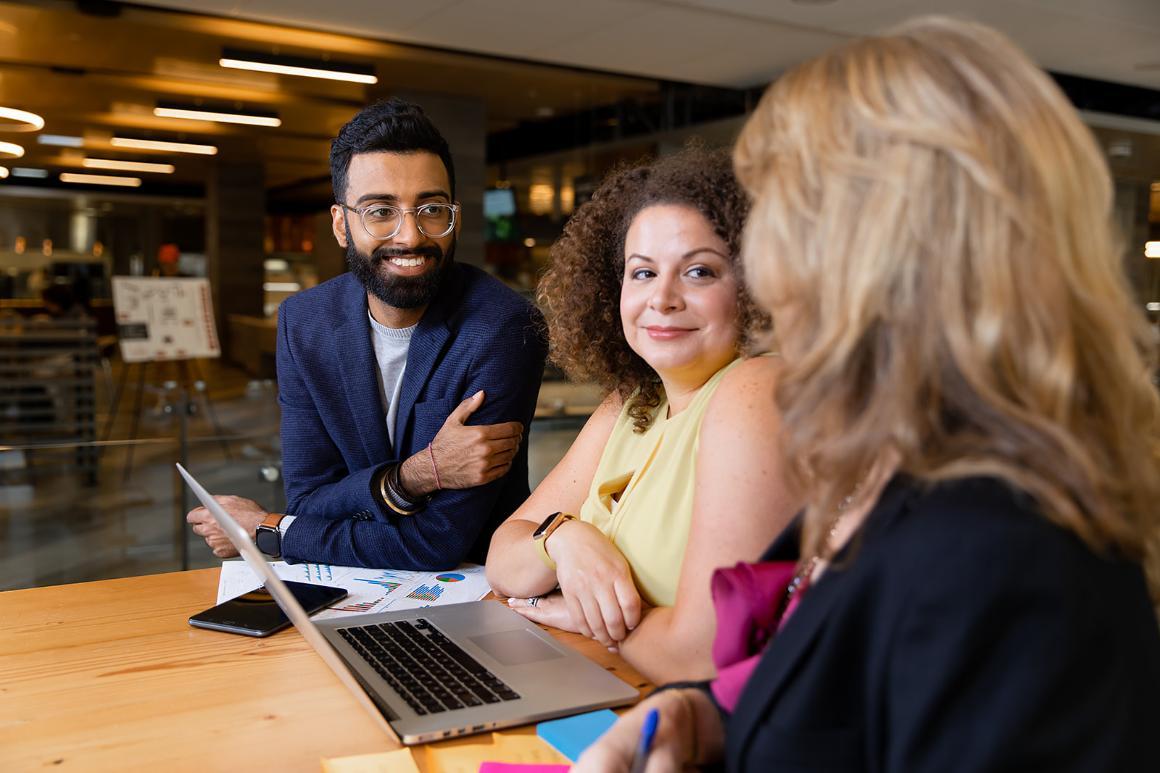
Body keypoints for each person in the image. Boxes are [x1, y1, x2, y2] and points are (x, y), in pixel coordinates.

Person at [577, 17, 1160, 772]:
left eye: (784, 217)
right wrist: (697, 717)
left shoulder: (1007, 556)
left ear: (876, 255)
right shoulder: (908, 466)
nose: (769, 265)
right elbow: (842, 693)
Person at [188, 98, 546, 570]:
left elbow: (437, 542)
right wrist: (416, 476)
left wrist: (270, 532)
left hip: (468, 590)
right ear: (341, 224)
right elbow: (308, 500)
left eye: (431, 209)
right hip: (346, 584)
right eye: (380, 211)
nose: (411, 236)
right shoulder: (304, 322)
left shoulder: (503, 327)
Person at [485, 147, 799, 685]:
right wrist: (564, 539)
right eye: (643, 272)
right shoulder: (631, 403)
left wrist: (595, 620)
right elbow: (504, 557)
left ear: (755, 286)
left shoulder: (757, 389)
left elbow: (700, 657)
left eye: (699, 272)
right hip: (601, 678)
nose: (663, 298)